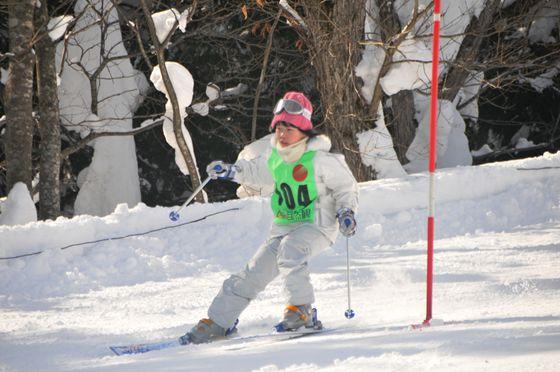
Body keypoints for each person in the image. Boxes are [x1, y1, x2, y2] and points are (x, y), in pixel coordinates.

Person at [180, 91, 359, 344]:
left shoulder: (319, 159)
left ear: (304, 131)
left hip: (317, 225)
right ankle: (219, 321)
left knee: (291, 252)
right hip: (284, 226)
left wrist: (346, 212)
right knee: (252, 273)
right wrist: (231, 171)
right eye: (279, 129)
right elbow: (256, 172)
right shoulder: (275, 158)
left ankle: (301, 310)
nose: (283, 135)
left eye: (290, 129)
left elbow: (346, 187)